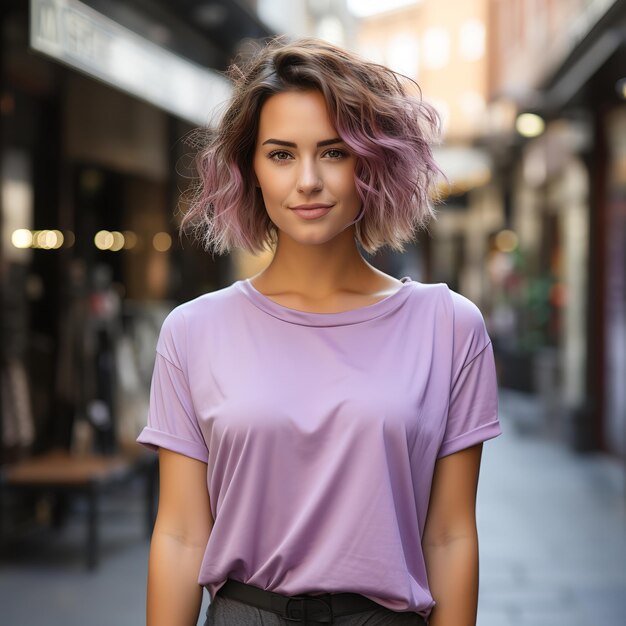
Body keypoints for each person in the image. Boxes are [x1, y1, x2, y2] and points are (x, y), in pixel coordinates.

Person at [136, 36, 502, 626]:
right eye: (281, 154)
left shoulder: (449, 326)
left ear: (371, 162)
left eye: (333, 152)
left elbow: (451, 535)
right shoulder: (193, 331)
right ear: (250, 168)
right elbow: (180, 535)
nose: (307, 180)